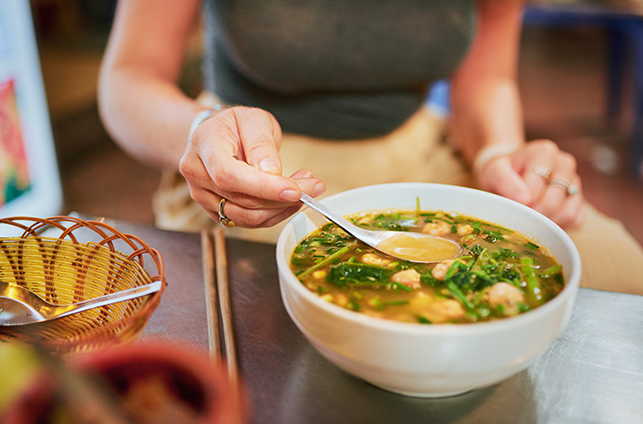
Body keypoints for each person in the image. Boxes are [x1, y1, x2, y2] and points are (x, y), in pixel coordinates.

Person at [98, 0, 643, 295]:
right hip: (252, 169)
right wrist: (200, 130)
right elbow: (128, 77)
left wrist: (500, 154)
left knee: (625, 277)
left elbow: (485, 78)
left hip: (422, 155)